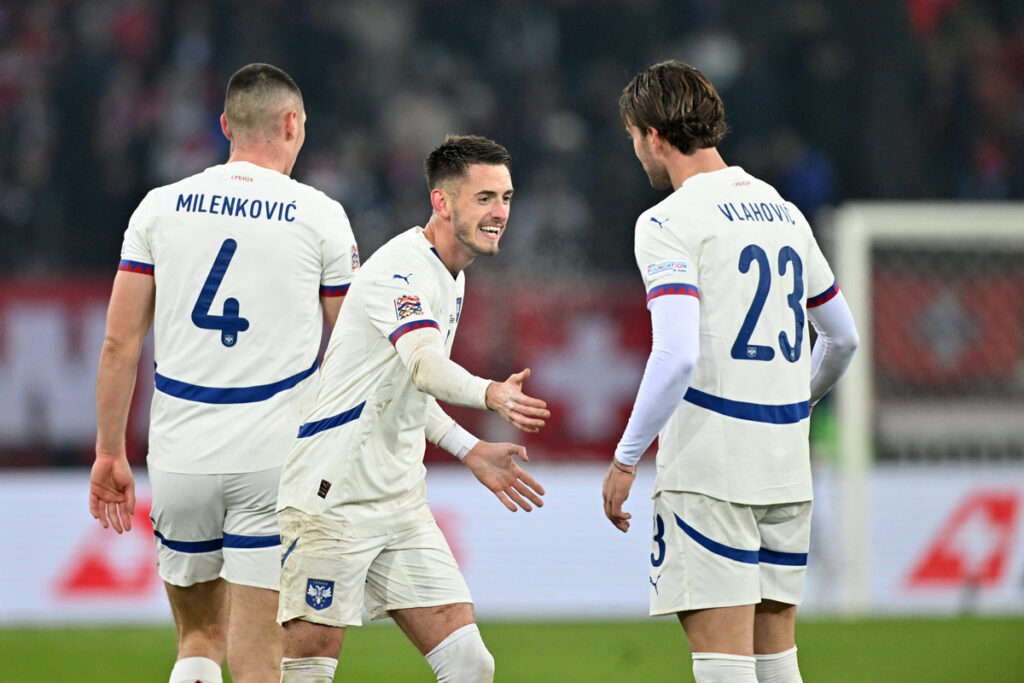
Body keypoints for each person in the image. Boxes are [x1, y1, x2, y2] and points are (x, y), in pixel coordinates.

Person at [89, 63, 361, 683]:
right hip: (274, 456)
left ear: (224, 127)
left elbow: (118, 344)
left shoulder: (158, 209)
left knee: (198, 640)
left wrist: (109, 451)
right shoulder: (319, 214)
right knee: (260, 657)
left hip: (180, 454)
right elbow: (352, 350)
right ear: (292, 124)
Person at [602, 61, 859, 683]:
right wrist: (791, 404)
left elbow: (678, 353)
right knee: (776, 662)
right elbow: (843, 339)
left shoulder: (668, 221)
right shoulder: (785, 212)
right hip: (784, 467)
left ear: (655, 135)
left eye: (636, 137)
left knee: (722, 664)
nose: (637, 151)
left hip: (711, 471)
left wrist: (627, 457)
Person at [275, 134, 549, 683]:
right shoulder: (399, 272)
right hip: (333, 501)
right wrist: (489, 394)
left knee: (470, 664)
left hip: (400, 505)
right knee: (307, 674)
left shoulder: (454, 276)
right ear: (442, 202)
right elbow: (425, 367)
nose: (500, 213)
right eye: (485, 198)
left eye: (507, 198)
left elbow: (403, 390)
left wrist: (469, 448)